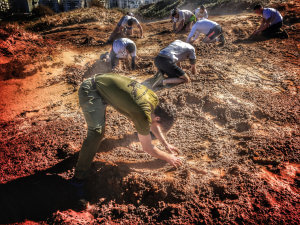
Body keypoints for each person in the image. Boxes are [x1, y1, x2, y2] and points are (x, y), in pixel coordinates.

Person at [73, 73, 182, 182]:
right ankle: (79, 176)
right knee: (97, 132)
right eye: (159, 125)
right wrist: (168, 157)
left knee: (99, 130)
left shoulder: (153, 99)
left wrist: (165, 144)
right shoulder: (143, 114)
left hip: (103, 85)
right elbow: (147, 148)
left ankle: (86, 154)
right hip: (91, 91)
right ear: (158, 118)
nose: (155, 127)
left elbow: (153, 124)